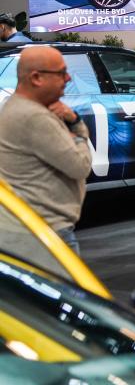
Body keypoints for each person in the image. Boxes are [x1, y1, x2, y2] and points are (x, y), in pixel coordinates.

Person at [0, 46, 92, 253]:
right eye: (61, 73)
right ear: (36, 78)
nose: (68, 78)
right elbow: (81, 166)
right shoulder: (35, 117)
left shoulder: (13, 106)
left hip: (33, 227)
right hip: (48, 232)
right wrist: (77, 127)